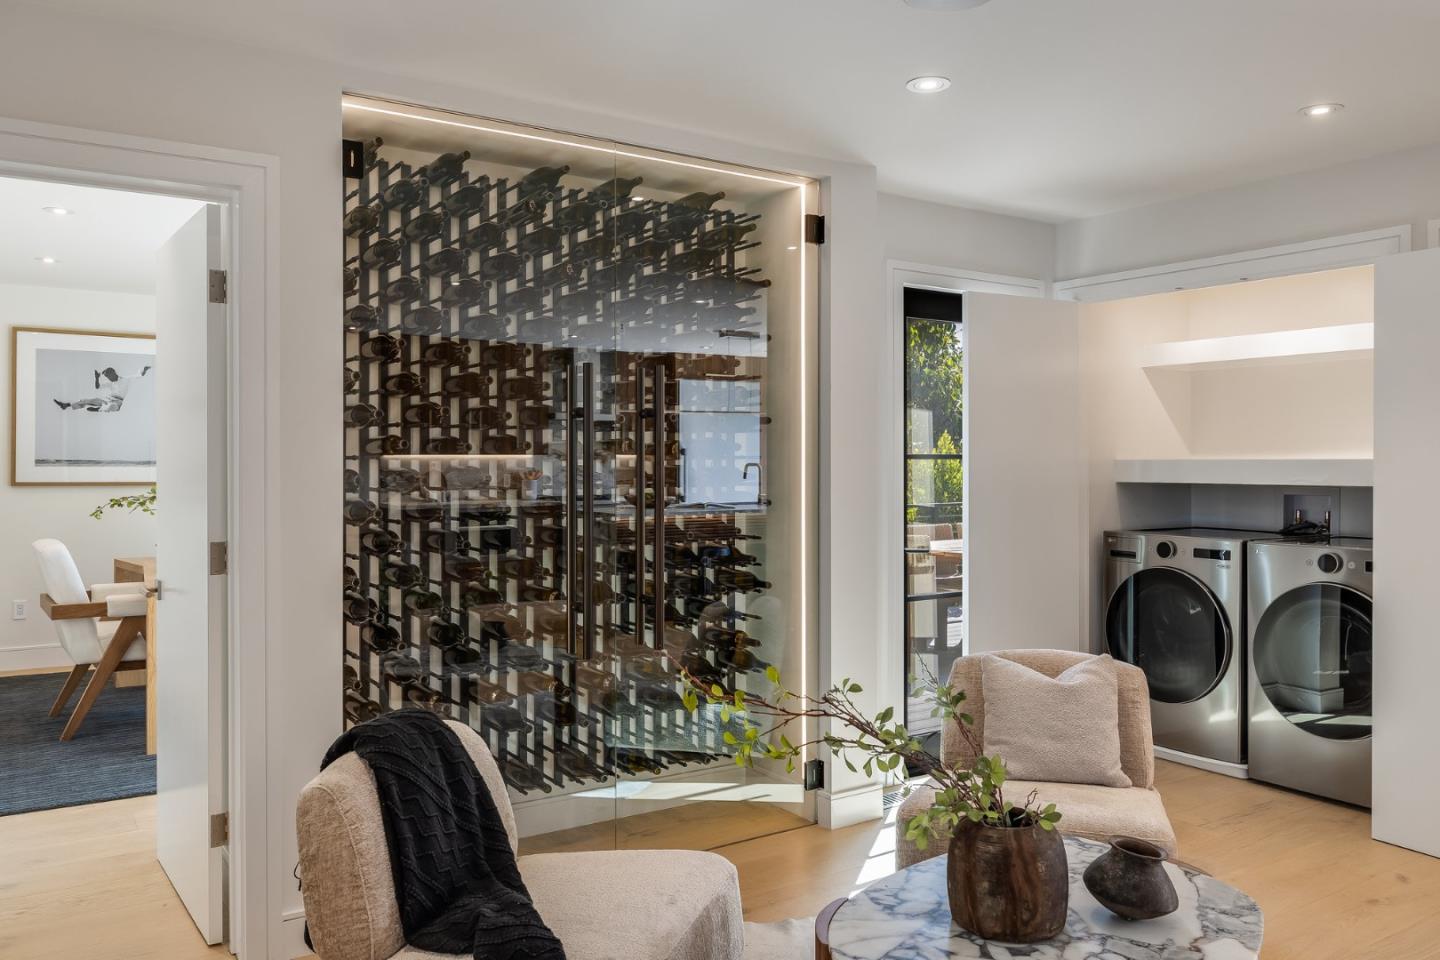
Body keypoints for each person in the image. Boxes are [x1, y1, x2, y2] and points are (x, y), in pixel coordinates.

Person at [53, 365, 152, 412]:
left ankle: (98, 409)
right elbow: (98, 387)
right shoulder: (110, 383)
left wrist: (145, 369)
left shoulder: (126, 380)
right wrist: (96, 378)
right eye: (107, 377)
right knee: (87, 400)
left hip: (117, 402)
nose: (109, 378)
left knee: (112, 407)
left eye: (109, 376)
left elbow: (139, 375)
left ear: (114, 373)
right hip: (106, 400)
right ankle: (67, 405)